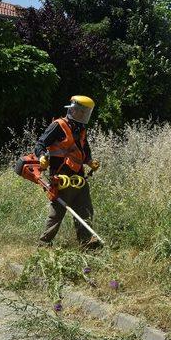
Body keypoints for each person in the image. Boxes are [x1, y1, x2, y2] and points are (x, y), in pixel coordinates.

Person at [33, 95, 101, 248]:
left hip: (78, 177)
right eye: (82, 111)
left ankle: (86, 243)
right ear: (74, 110)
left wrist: (90, 162)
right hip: (61, 175)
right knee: (57, 212)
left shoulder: (81, 129)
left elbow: (84, 151)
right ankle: (44, 244)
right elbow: (40, 144)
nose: (84, 115)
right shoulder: (58, 125)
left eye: (86, 112)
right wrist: (42, 156)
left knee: (85, 208)